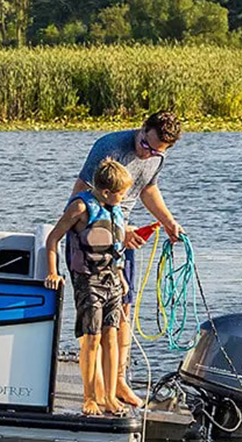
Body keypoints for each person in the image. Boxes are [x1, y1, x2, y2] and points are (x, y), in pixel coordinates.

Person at [69, 110, 184, 409]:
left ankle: (119, 381)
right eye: (146, 146)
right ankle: (93, 391)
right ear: (142, 128)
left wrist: (169, 222)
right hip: (92, 244)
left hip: (123, 240)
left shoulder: (156, 156)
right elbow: (80, 198)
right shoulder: (109, 147)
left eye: (157, 152)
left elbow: (147, 189)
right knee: (93, 319)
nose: (148, 155)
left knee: (123, 311)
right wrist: (121, 230)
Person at [42, 158, 133, 416]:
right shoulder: (80, 208)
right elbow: (53, 240)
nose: (124, 198)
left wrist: (122, 277)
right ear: (106, 192)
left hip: (112, 280)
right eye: (122, 194)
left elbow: (115, 249)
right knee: (92, 339)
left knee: (111, 337)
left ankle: (109, 397)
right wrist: (53, 272)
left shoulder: (113, 210)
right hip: (88, 281)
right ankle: (89, 397)